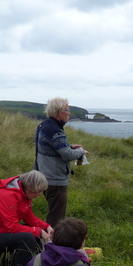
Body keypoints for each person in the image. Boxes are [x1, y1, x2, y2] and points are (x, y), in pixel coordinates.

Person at [0, 170, 53, 266]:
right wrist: (37, 231)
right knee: (28, 237)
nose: (39, 194)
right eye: (38, 191)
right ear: (29, 187)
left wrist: (46, 227)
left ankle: (36, 263)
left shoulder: (24, 195)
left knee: (31, 231)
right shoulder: (7, 195)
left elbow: (30, 218)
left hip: (4, 231)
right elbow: (12, 226)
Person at [34, 97, 88, 226]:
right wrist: (81, 152)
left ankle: (51, 241)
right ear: (59, 112)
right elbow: (67, 155)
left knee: (54, 212)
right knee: (56, 217)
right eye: (67, 110)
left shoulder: (44, 125)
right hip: (55, 180)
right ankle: (52, 244)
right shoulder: (55, 130)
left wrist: (69, 146)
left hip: (44, 175)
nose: (69, 113)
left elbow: (51, 148)